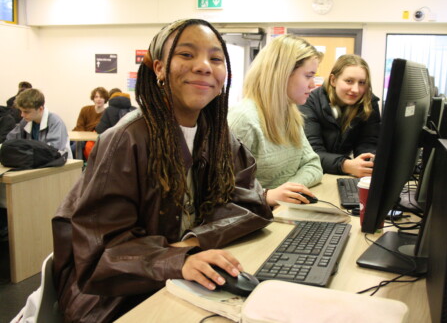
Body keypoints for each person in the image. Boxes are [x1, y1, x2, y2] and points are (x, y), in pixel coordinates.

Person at [51, 19, 273, 322]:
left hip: (186, 277)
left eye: (216, 58)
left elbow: (251, 202)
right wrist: (176, 259)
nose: (204, 66)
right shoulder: (125, 140)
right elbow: (99, 255)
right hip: (116, 299)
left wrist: (193, 242)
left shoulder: (220, 135)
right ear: (159, 68)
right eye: (186, 54)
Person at [228, 34, 323, 207]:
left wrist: (288, 192)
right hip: (254, 218)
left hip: (281, 210)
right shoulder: (244, 120)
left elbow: (313, 164)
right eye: (308, 76)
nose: (313, 85)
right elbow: (222, 190)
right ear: (282, 74)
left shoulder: (290, 114)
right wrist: (267, 195)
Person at [299, 54, 381, 178]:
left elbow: (368, 142)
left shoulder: (368, 103)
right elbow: (312, 153)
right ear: (333, 80)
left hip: (339, 172)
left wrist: (368, 162)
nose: (356, 89)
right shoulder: (310, 102)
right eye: (349, 81)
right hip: (312, 172)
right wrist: (346, 165)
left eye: (362, 83)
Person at [6, 88, 72, 158]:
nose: (22, 115)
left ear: (40, 109)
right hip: (37, 162)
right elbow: (10, 141)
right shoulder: (25, 121)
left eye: (26, 112)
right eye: (21, 111)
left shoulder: (55, 122)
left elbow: (53, 151)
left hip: (60, 165)